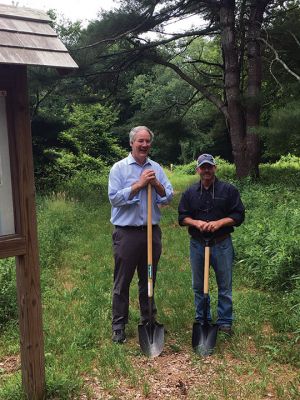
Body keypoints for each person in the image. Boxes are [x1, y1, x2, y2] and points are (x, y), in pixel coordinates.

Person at [108, 126, 173, 343]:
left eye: (147, 141)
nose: (144, 145)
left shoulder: (156, 168)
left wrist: (155, 184)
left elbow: (168, 196)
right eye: (140, 141)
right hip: (127, 234)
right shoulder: (119, 169)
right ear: (131, 143)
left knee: (149, 278)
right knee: (122, 281)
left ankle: (149, 320)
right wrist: (139, 185)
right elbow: (115, 199)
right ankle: (118, 325)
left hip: (151, 233)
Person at [178, 153, 245, 335]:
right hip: (198, 244)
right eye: (203, 167)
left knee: (225, 285)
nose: (206, 170)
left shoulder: (229, 190)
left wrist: (220, 223)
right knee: (199, 285)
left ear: (215, 168)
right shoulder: (190, 193)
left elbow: (239, 215)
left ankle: (224, 322)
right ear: (198, 170)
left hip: (221, 244)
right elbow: (182, 217)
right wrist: (196, 223)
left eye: (210, 166)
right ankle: (203, 319)